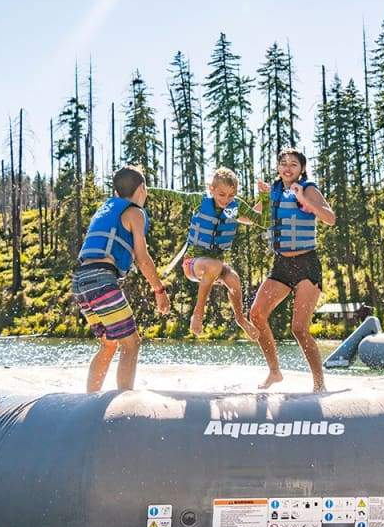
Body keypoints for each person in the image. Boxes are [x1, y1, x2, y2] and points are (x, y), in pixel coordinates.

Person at [71, 165, 171, 392]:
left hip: (80, 281)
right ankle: (124, 402)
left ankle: (90, 399)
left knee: (109, 343)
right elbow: (143, 259)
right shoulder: (136, 213)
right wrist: (159, 290)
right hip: (101, 280)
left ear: (116, 192)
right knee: (131, 344)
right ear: (142, 189)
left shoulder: (106, 209)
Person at [249, 147, 336, 392]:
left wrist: (304, 200)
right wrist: (225, 206)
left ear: (302, 169)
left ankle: (319, 384)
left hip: (307, 264)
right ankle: (275, 372)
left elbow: (330, 218)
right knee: (256, 314)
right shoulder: (273, 191)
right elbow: (252, 217)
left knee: (299, 328)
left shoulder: (308, 189)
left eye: (293, 164)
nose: (287, 168)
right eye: (283, 163)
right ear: (278, 167)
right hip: (281, 265)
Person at [181, 167, 262, 340]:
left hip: (215, 267)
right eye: (222, 194)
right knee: (214, 265)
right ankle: (198, 313)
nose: (226, 200)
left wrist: (266, 198)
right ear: (212, 189)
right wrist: (143, 190)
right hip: (192, 264)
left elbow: (258, 219)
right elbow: (170, 194)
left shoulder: (234, 208)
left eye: (231, 195)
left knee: (234, 279)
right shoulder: (199, 200)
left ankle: (241, 319)